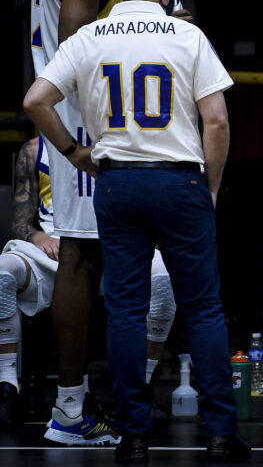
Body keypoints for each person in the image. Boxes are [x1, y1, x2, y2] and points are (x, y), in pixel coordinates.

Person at [23, 0, 248, 463]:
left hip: (117, 183)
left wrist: (74, 152)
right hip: (179, 181)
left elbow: (36, 100)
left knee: (125, 311)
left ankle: (133, 437)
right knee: (203, 308)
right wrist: (211, 188)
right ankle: (220, 434)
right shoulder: (187, 36)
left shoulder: (88, 37)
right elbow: (216, 121)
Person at [28, 0, 161, 445]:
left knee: (85, 259)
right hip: (81, 130)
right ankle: (69, 410)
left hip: (71, 126)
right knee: (79, 260)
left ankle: (76, 401)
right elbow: (79, 54)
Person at [0, 136, 176, 430]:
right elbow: (20, 222)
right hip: (55, 249)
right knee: (3, 271)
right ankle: (6, 386)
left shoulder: (124, 138)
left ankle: (143, 386)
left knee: (163, 277)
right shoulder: (35, 149)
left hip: (117, 245)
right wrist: (37, 236)